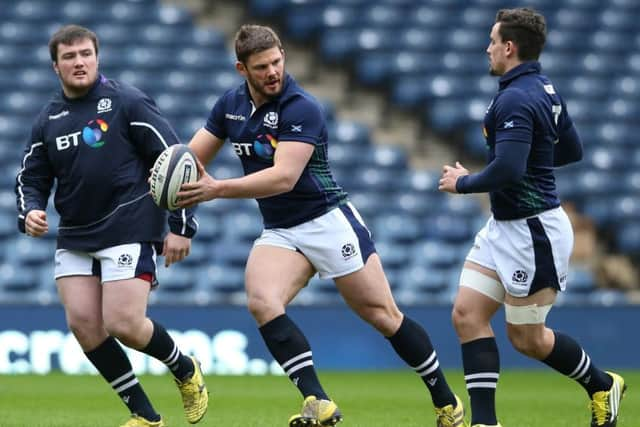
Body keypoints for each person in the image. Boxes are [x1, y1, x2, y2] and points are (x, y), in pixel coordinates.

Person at [177, 24, 466, 427]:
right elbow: (189, 163)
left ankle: (445, 399)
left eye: (277, 61)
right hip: (281, 229)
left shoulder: (301, 107)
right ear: (241, 69)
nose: (273, 71)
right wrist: (175, 213)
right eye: (262, 67)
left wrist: (217, 189)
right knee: (262, 302)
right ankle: (318, 400)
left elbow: (283, 178)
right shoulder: (229, 106)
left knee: (384, 316)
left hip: (328, 221)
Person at [438, 8, 626, 427]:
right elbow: (571, 149)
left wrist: (464, 183)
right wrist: (532, 160)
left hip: (532, 231)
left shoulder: (517, 97)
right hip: (504, 226)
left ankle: (600, 384)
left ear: (509, 47)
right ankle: (484, 422)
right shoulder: (544, 89)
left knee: (527, 339)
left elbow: (507, 170)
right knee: (467, 314)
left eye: (492, 41)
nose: (486, 48)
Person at [15, 25, 208, 427]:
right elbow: (31, 178)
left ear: (97, 57)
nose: (79, 62)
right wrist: (30, 209)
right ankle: (146, 417)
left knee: (123, 324)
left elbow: (177, 158)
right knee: (84, 325)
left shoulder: (126, 101)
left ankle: (185, 369)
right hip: (75, 235)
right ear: (56, 67)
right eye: (69, 57)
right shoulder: (48, 119)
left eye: (85, 53)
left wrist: (181, 226)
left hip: (130, 224)